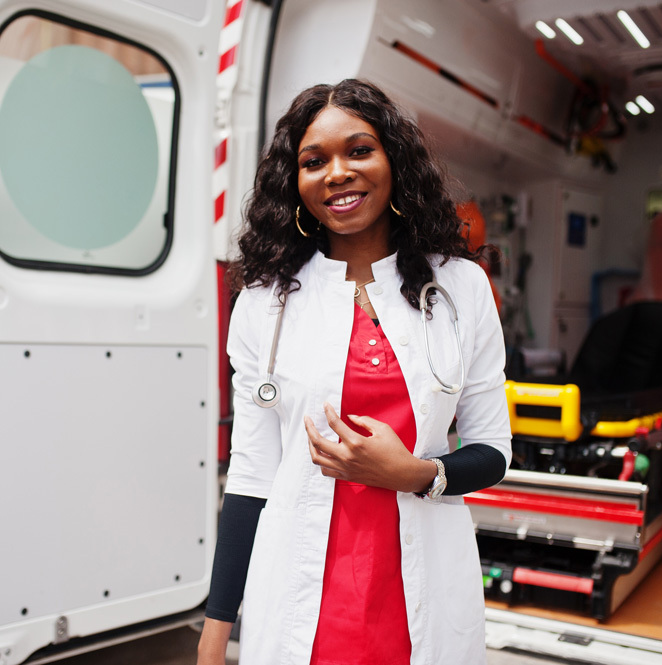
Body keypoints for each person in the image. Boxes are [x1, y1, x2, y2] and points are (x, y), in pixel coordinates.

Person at [197, 79, 511, 665]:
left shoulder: (462, 287)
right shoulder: (264, 300)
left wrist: (414, 472)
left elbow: (492, 450)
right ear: (295, 183)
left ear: (395, 162)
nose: (337, 173)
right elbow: (250, 478)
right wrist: (215, 635)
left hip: (420, 591)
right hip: (301, 595)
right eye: (314, 161)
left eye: (359, 150)